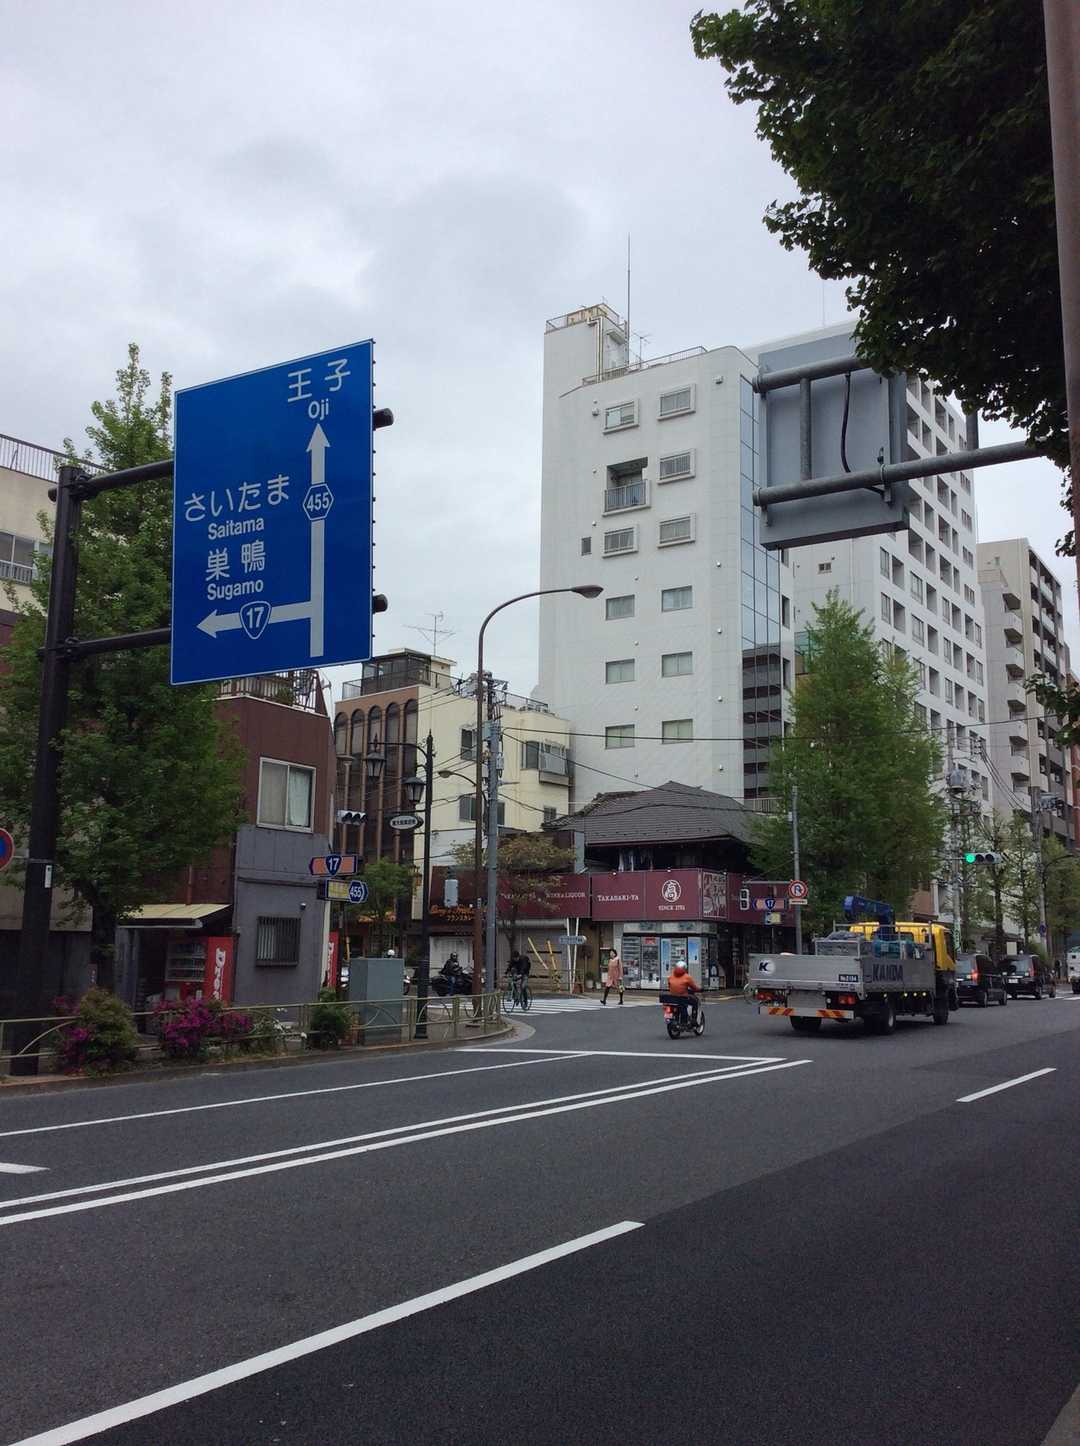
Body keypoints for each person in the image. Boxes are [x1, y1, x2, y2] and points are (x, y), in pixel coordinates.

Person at [666, 961, 701, 1027]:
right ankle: (693, 1020)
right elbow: (694, 987)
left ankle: (674, 1020)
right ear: (685, 968)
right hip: (683, 998)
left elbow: (670, 986)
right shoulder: (687, 977)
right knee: (695, 1002)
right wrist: (699, 989)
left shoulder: (670, 977)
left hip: (672, 998)